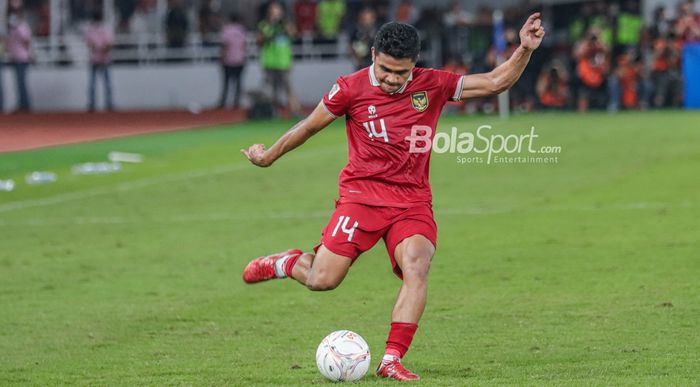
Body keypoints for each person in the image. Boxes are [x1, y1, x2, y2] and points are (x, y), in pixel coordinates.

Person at [240, 14, 545, 381]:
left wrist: (524, 50)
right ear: (373, 55)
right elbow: (308, 126)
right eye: (385, 69)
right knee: (323, 279)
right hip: (361, 197)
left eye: (401, 73)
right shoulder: (350, 88)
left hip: (412, 201)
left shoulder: (431, 84)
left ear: (414, 65)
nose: (391, 79)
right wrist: (267, 156)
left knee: (417, 264)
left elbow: (496, 82)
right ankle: (287, 263)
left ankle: (390, 360)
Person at [257, 1, 300, 115]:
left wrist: (284, 25)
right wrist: (269, 31)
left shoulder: (285, 24)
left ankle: (295, 111)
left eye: (277, 9)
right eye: (273, 10)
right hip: (270, 62)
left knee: (288, 88)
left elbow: (294, 35)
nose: (275, 12)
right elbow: (259, 42)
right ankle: (274, 113)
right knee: (271, 90)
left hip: (283, 61)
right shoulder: (264, 25)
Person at [85, 10, 115, 112]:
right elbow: (91, 44)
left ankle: (106, 104)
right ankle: (101, 104)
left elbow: (107, 45)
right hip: (98, 59)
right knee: (98, 84)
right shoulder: (103, 29)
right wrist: (101, 50)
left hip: (101, 58)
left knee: (101, 84)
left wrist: (99, 50)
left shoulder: (94, 29)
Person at [6, 6, 32, 112]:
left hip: (22, 58)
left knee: (21, 83)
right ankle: (22, 104)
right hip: (17, 57)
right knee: (19, 83)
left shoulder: (21, 27)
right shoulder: (15, 28)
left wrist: (29, 53)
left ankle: (24, 105)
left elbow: (26, 41)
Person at [219, 13, 247, 109]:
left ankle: (223, 102)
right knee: (238, 84)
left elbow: (224, 46)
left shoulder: (227, 30)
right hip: (239, 60)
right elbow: (244, 45)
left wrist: (221, 58)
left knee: (226, 83)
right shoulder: (242, 30)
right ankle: (236, 103)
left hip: (229, 60)